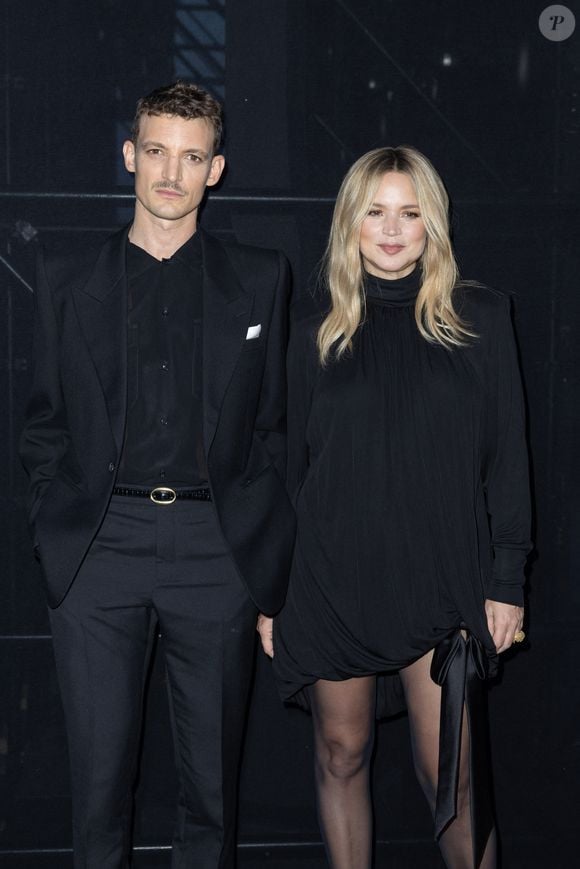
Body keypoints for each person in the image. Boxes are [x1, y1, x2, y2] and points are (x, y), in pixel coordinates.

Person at [20, 81, 294, 868]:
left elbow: (275, 428)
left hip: (217, 552)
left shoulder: (262, 276)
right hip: (99, 550)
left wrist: (263, 568)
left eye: (192, 155)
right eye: (157, 151)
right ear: (130, 154)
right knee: (99, 788)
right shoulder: (66, 274)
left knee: (212, 791)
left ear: (216, 169)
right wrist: (53, 531)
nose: (171, 173)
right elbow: (41, 422)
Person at [258, 146, 530, 869]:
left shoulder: (481, 318)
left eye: (409, 212)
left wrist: (507, 578)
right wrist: (273, 594)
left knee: (453, 779)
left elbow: (510, 458)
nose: (391, 228)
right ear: (350, 223)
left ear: (432, 224)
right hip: (328, 579)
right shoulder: (313, 334)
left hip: (441, 574)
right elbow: (292, 475)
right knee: (341, 753)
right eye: (375, 211)